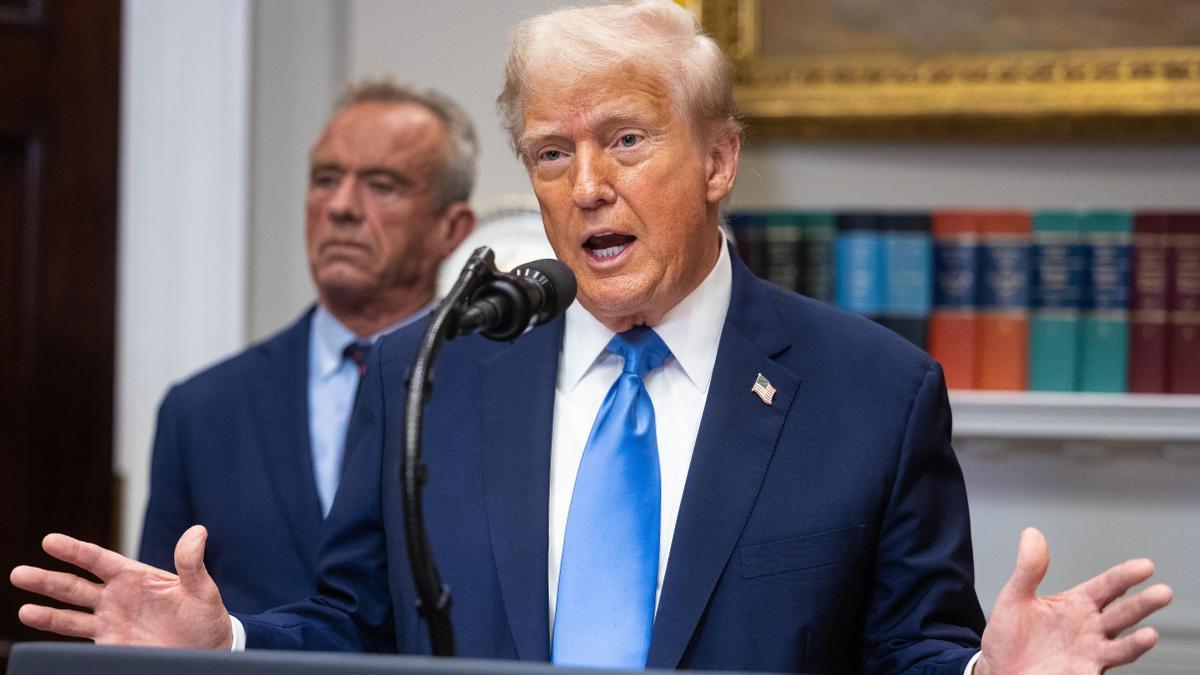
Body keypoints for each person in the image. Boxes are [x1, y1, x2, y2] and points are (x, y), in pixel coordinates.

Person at [10, 2, 1171, 673]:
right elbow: (354, 625)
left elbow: (909, 652)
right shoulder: (428, 371)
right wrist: (226, 647)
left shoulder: (874, 391)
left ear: (718, 160)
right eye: (554, 154)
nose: (587, 188)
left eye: (626, 140)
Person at [135, 80, 477, 613]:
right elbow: (159, 628)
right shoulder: (201, 411)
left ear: (451, 228)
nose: (341, 206)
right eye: (325, 180)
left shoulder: (497, 392)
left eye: (381, 185)